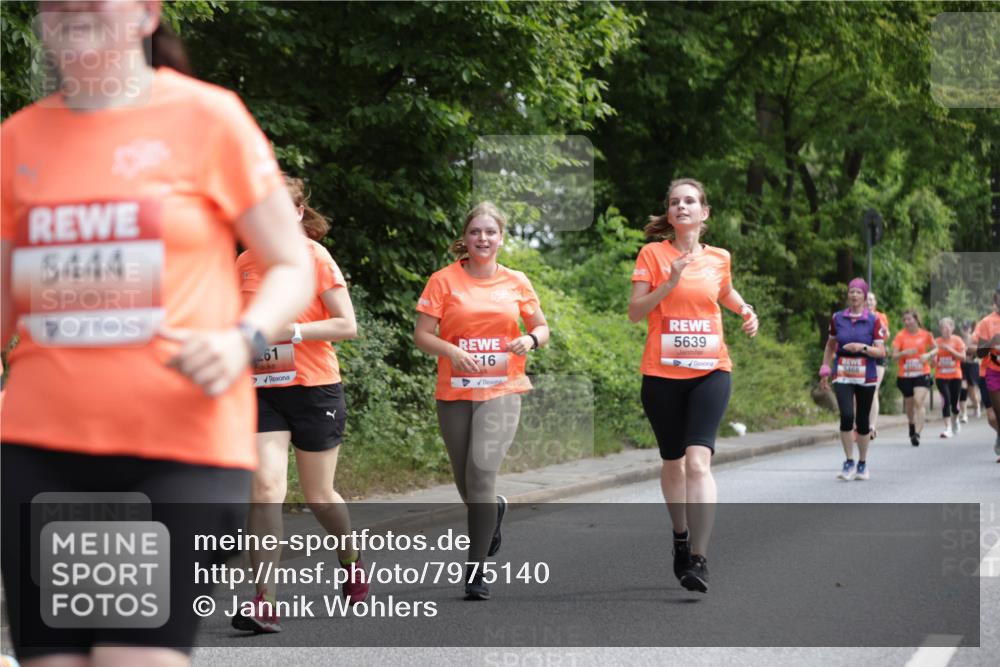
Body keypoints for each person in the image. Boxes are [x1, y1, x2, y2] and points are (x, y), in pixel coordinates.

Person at [0, 2, 314, 665]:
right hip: (40, 447)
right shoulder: (18, 141)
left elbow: (291, 264)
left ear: (146, 13)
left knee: (129, 657)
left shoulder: (208, 119)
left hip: (175, 448)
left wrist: (241, 336)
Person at [231, 176, 367, 634]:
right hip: (262, 389)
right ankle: (264, 601)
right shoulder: (245, 262)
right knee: (265, 490)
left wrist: (290, 332)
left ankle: (349, 557)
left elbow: (347, 325)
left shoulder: (315, 257)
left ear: (297, 212)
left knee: (319, 498)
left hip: (314, 388)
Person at [628, 178, 758, 594]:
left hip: (710, 371)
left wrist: (744, 309)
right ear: (669, 214)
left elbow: (723, 290)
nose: (681, 207)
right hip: (662, 376)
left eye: (689, 201)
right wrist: (669, 281)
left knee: (698, 462)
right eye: (674, 202)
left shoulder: (719, 256)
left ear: (704, 213)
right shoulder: (652, 254)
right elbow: (635, 312)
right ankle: (680, 536)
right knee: (673, 463)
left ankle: (699, 559)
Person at [414, 202, 549, 601]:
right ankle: (494, 511)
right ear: (465, 238)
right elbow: (422, 335)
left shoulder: (516, 281)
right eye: (476, 232)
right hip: (454, 390)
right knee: (466, 481)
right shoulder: (443, 281)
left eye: (490, 232)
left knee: (480, 473)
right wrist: (451, 351)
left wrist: (531, 339)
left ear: (501, 239)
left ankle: (475, 570)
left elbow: (541, 326)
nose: (483, 239)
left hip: (502, 388)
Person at [819, 279, 886, 481]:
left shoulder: (874, 320)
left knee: (863, 421)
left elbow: (881, 351)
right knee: (847, 416)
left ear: (864, 296)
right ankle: (849, 461)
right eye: (851, 292)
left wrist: (862, 348)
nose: (854, 295)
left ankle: (862, 463)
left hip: (866, 375)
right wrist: (825, 370)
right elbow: (830, 346)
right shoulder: (838, 318)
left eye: (858, 292)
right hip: (843, 374)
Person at [891, 310, 937, 447]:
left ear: (916, 320)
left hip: (922, 373)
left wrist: (928, 355)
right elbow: (893, 357)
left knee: (919, 401)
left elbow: (936, 348)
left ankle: (917, 433)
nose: (906, 322)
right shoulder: (900, 336)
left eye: (909, 319)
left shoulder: (926, 334)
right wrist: (904, 353)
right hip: (905, 376)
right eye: (904, 319)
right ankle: (911, 425)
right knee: (910, 406)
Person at [972, 285, 1000, 457]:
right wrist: (991, 341)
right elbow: (980, 352)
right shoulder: (986, 322)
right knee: (993, 416)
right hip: (992, 372)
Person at [933, 317, 966, 439]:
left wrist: (950, 350)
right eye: (943, 328)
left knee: (954, 403)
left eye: (947, 327)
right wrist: (933, 360)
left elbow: (963, 357)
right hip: (941, 376)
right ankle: (947, 428)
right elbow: (932, 362)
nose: (945, 330)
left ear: (952, 328)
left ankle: (956, 418)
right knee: (945, 400)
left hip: (955, 375)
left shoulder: (957, 340)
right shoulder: (936, 342)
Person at [866, 291, 891, 439]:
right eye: (867, 299)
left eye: (871, 300)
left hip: (878, 356)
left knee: (873, 389)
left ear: (875, 303)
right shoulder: (856, 316)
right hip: (862, 356)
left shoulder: (880, 316)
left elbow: (886, 334)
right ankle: (861, 424)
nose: (869, 302)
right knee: (860, 391)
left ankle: (872, 425)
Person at [959, 320, 982, 422]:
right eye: (963, 328)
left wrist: (969, 351)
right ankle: (964, 413)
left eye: (966, 328)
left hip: (972, 365)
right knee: (963, 388)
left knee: (972, 390)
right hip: (962, 365)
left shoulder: (973, 339)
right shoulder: (959, 340)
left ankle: (977, 406)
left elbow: (978, 352)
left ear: (969, 329)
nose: (964, 331)